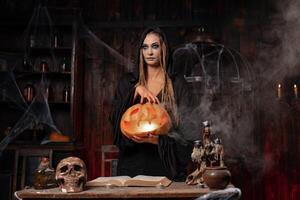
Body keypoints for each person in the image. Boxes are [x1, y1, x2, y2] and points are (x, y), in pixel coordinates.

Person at [110, 27, 193, 181]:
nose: (149, 52)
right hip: (131, 169)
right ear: (140, 51)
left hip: (165, 170)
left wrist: (159, 141)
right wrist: (134, 92)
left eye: (155, 46)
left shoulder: (177, 84)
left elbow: (189, 134)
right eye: (145, 47)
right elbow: (115, 124)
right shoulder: (128, 83)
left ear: (164, 49)